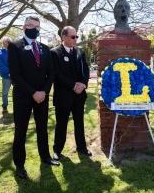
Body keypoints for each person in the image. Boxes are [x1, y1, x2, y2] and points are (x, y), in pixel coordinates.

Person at [8, 16, 59, 179]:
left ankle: (45, 157)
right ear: (24, 27)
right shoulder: (15, 46)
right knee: (21, 131)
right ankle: (20, 165)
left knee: (42, 128)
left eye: (37, 27)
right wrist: (33, 93)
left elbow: (51, 73)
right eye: (31, 25)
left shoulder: (45, 48)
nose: (34, 29)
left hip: (42, 97)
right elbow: (15, 75)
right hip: (23, 96)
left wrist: (44, 92)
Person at [51, 26, 91, 161]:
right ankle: (57, 150)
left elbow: (86, 70)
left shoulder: (80, 52)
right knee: (61, 124)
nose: (76, 39)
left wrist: (84, 84)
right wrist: (73, 85)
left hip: (79, 96)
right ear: (64, 37)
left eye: (76, 37)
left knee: (79, 122)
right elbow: (56, 75)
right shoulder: (55, 53)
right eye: (73, 37)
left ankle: (82, 148)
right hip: (63, 96)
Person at [0, 36, 11, 113]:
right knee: (5, 92)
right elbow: (0, 65)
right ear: (3, 43)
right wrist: (9, 72)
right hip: (6, 76)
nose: (7, 44)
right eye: (5, 42)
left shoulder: (14, 50)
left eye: (8, 42)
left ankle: (22, 106)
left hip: (16, 76)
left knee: (20, 91)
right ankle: (5, 106)